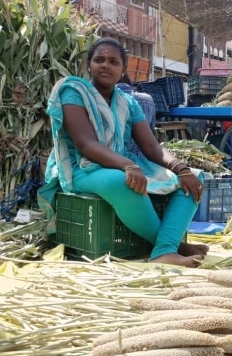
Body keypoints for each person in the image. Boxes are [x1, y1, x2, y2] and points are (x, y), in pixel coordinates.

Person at [38, 37, 207, 267]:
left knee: (193, 179)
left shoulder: (128, 102)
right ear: (90, 65)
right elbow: (85, 143)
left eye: (113, 61)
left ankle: (165, 247)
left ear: (123, 69)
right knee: (123, 181)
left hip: (118, 163)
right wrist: (127, 165)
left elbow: (151, 147)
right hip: (82, 166)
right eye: (99, 60)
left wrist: (181, 168)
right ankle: (169, 247)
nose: (105, 65)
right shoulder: (73, 92)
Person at [116, 74, 156, 156]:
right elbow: (152, 133)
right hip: (142, 159)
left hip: (113, 160)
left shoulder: (103, 100)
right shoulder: (147, 99)